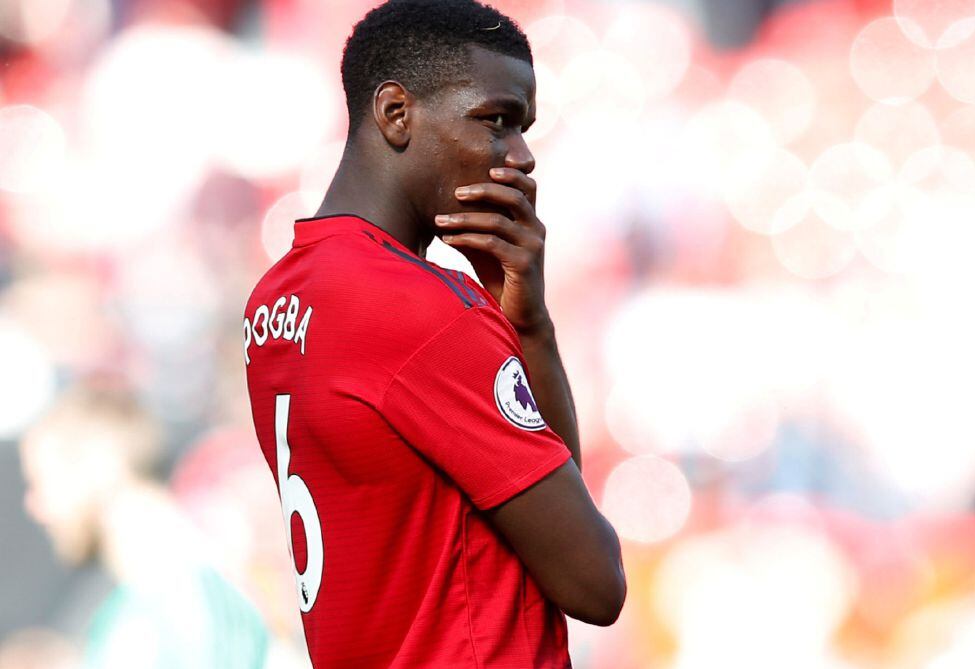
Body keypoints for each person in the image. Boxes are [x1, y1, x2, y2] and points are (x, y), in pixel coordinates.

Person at [242, 0, 626, 667]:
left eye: (524, 128)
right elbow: (593, 581)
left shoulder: (274, 300)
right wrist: (515, 328)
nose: (523, 155)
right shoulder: (423, 311)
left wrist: (526, 322)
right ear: (396, 113)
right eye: (496, 120)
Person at [18, 384, 269, 668]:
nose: (34, 506)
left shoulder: (170, 602)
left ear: (96, 465)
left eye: (41, 483)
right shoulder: (183, 583)